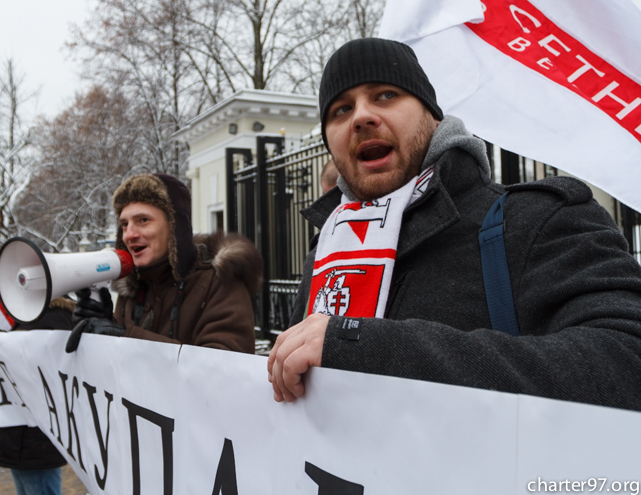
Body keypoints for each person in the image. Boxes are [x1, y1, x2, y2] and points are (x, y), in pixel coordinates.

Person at [267, 37, 641, 411]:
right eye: (341, 110)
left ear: (433, 116)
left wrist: (361, 345)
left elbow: (627, 359)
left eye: (385, 95)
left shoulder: (536, 219)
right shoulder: (326, 251)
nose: (362, 116)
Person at [68, 173, 261, 353]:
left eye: (143, 220)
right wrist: (102, 325)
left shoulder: (219, 281)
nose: (130, 234)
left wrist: (124, 337)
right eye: (125, 224)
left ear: (175, 227)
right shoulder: (131, 287)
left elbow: (223, 370)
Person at [0, 298, 74, 495]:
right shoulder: (29, 318)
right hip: (21, 437)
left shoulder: (53, 319)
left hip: (34, 438)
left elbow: (43, 373)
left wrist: (0, 347)